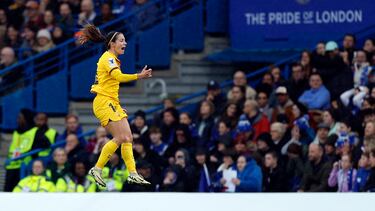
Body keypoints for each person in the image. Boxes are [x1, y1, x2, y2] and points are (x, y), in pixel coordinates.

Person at [79, 23, 153, 187]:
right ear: (112, 43)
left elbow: (110, 85)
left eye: (125, 40)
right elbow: (118, 77)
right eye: (121, 40)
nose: (124, 43)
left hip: (111, 102)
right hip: (104, 102)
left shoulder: (112, 59)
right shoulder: (108, 58)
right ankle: (97, 169)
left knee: (128, 137)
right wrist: (139, 76)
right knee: (120, 137)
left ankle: (133, 173)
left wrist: (117, 105)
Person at [4, 109, 35, 192]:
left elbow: (45, 145)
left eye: (20, 117)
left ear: (26, 119)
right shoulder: (16, 131)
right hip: (11, 166)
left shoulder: (35, 131)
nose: (18, 120)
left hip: (24, 167)